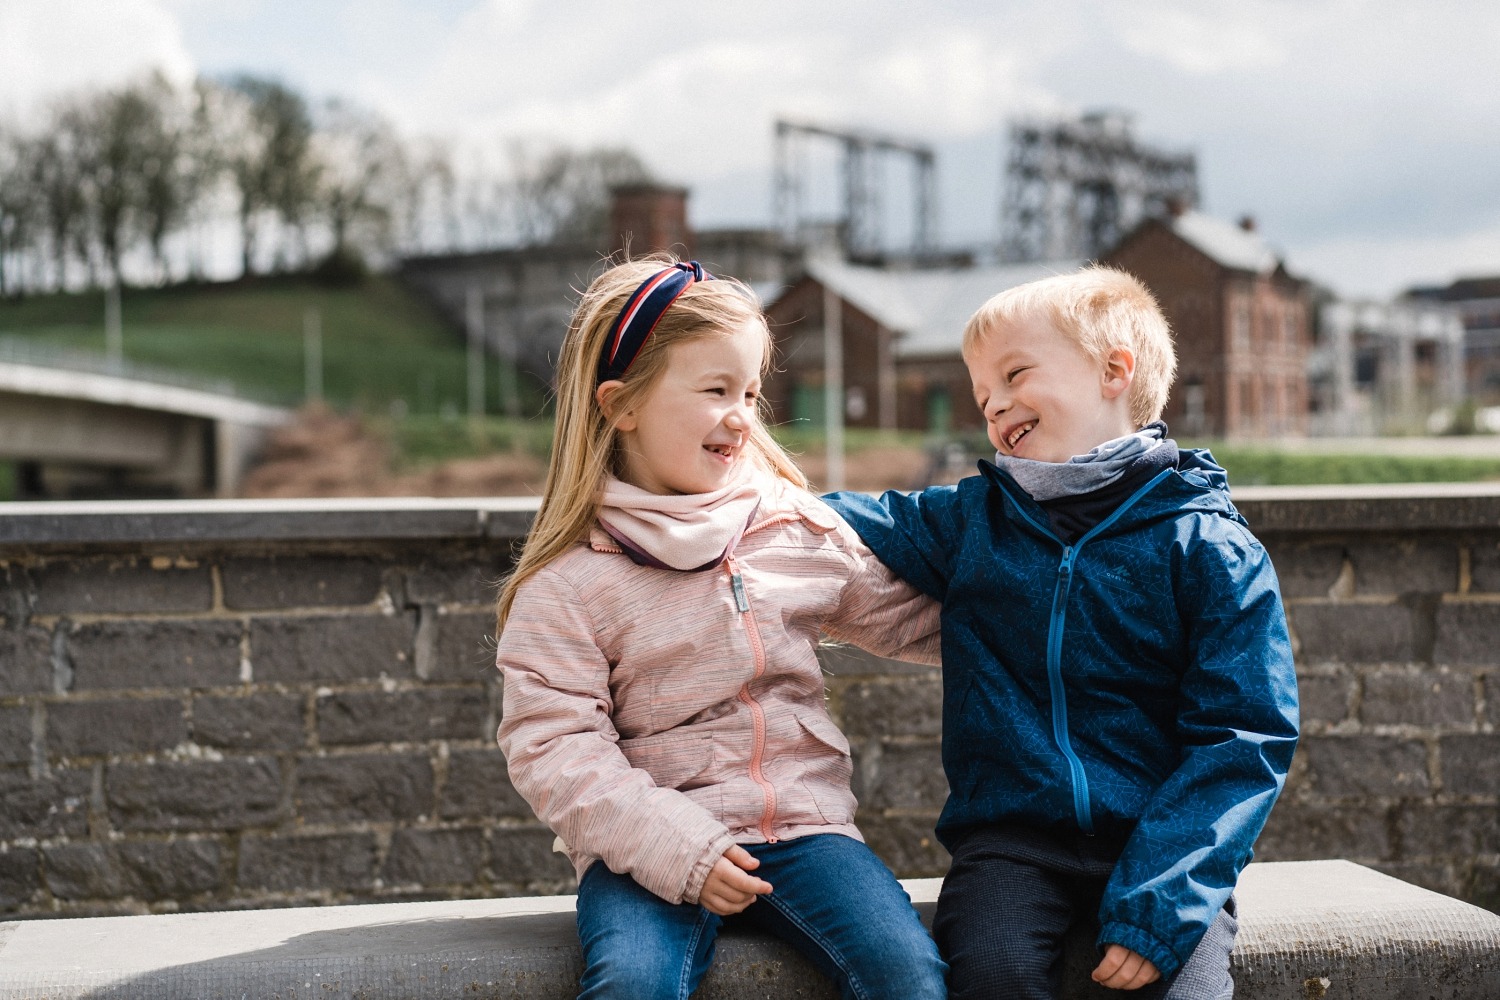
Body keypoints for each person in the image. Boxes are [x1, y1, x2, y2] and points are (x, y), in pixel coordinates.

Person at [825, 265, 1299, 999]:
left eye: (1015, 375)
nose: (996, 405)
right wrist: (726, 492)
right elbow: (838, 520)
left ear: (1114, 371)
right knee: (990, 977)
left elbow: (1244, 737)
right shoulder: (973, 521)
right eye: (984, 395)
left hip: (1161, 843)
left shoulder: (1208, 547)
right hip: (1010, 848)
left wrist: (1161, 907)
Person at [495, 257, 948, 1000]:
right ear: (621, 405)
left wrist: (1045, 620)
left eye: (749, 391)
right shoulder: (568, 587)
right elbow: (556, 751)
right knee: (633, 983)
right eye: (714, 391)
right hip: (646, 852)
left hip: (804, 831)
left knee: (909, 973)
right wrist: (681, 849)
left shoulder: (787, 528)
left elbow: (909, 619)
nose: (742, 414)